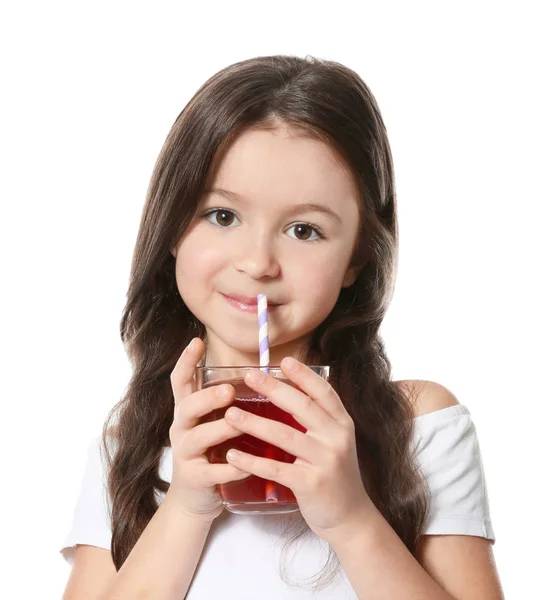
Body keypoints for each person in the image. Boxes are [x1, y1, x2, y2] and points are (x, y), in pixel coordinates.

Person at [59, 55, 504, 599]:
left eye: (304, 229)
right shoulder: (127, 452)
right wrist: (185, 506)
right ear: (173, 227)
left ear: (357, 260)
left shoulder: (418, 427)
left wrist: (350, 518)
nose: (257, 262)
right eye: (222, 216)